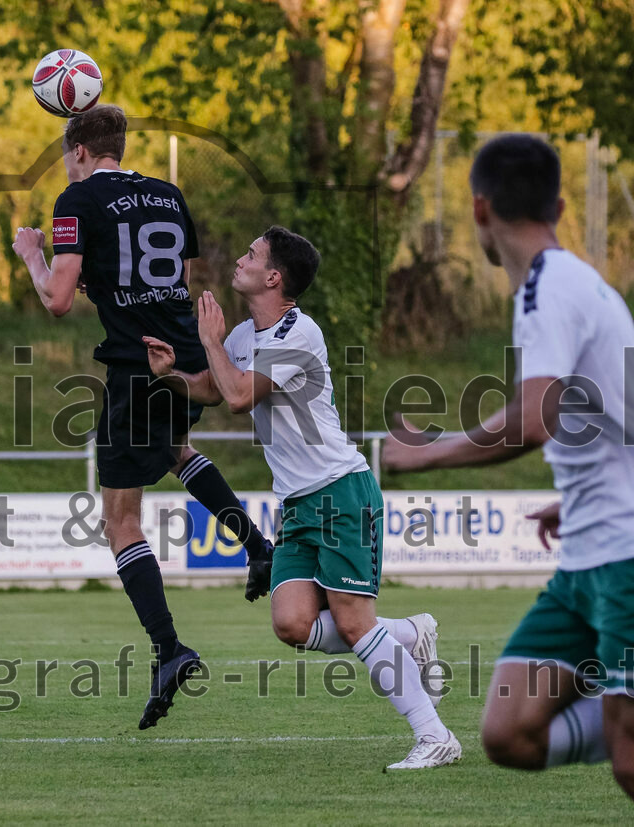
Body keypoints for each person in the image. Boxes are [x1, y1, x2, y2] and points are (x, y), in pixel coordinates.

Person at [382, 134, 634, 805]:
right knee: (510, 730)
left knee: (633, 757)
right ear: (558, 204)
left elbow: (532, 418)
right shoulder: (581, 286)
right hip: (590, 554)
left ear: (478, 210)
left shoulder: (548, 290)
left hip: (631, 557)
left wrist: (423, 451)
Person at [144, 226, 461, 770]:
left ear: (274, 277)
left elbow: (241, 396)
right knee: (292, 623)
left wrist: (213, 344)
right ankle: (411, 633)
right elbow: (215, 389)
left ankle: (435, 737)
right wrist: (171, 373)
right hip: (298, 504)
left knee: (357, 623)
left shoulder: (299, 332)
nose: (240, 259)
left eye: (251, 254)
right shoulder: (247, 334)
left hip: (340, 493)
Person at [12, 104, 274, 729]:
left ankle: (168, 648)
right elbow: (175, 279)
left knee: (120, 520)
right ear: (118, 148)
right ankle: (258, 546)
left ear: (77, 150)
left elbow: (55, 298)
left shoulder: (75, 200)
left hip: (136, 367)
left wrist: (30, 254)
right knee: (177, 450)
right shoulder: (166, 193)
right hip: (182, 354)